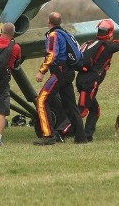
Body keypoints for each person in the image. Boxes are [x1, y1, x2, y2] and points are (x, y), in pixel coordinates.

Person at [75, 18, 119, 142]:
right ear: (111, 33)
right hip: (90, 82)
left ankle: (88, 135)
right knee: (82, 110)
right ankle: (62, 132)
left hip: (81, 79)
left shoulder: (89, 42)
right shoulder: (107, 45)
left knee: (95, 110)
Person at [34, 12, 88, 145]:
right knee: (71, 105)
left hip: (59, 73)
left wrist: (42, 71)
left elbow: (52, 55)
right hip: (68, 72)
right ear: (60, 22)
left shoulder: (53, 35)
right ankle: (81, 137)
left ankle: (48, 136)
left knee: (41, 100)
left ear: (49, 22)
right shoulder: (65, 33)